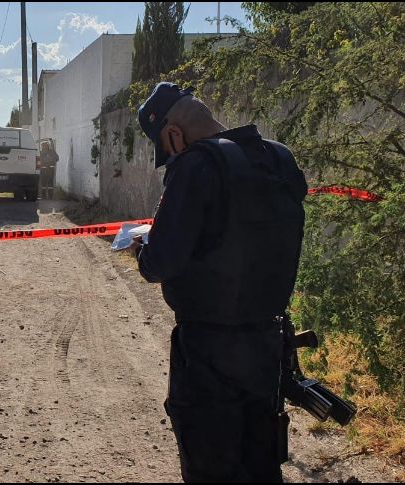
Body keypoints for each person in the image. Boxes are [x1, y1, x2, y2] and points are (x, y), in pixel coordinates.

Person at [132, 82, 308, 482]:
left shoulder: (196, 167)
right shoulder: (278, 159)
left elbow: (160, 263)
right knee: (260, 465)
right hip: (267, 344)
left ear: (174, 135)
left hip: (208, 351)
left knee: (210, 466)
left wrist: (142, 249)